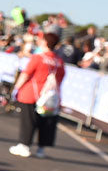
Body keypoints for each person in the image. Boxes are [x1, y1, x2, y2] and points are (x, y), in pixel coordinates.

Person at [9, 29, 66, 158]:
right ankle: (41, 149)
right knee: (46, 122)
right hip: (50, 97)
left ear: (45, 42)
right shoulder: (59, 61)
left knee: (28, 121)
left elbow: (26, 74)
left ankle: (24, 145)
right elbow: (60, 79)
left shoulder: (38, 58)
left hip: (31, 94)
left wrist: (16, 88)